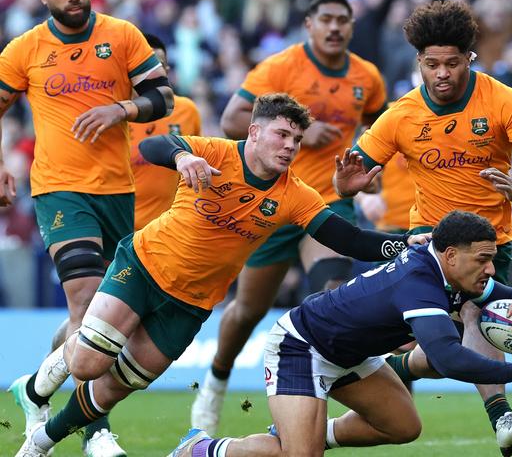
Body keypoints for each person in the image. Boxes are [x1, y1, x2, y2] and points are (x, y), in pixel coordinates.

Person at [15, 93, 429, 457]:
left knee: (111, 389)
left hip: (191, 304)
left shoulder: (294, 194)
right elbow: (158, 144)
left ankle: (39, 445)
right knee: (88, 364)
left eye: (297, 140)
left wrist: (403, 243)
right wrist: (182, 156)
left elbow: (349, 239)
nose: (290, 147)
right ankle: (37, 387)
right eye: (282, 135)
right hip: (142, 266)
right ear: (253, 131)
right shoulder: (214, 153)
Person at [332, 0, 512, 454]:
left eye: (452, 63)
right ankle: (503, 420)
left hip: (491, 241)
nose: (442, 73)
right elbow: (356, 171)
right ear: (419, 61)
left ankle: (386, 372)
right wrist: (349, 185)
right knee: (474, 315)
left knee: (443, 357)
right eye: (432, 63)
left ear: (469, 59)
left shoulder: (501, 99)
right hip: (430, 246)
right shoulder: (401, 115)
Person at [168, 210, 512, 457]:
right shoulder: (419, 282)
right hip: (302, 346)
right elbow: (449, 357)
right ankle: (203, 448)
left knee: (402, 427)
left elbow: (499, 293)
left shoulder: (447, 269)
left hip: (349, 354)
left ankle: (302, 428)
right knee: (298, 455)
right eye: (484, 259)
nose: (490, 269)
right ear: (451, 255)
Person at [191, 0, 387, 434]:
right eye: (327, 19)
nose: (335, 27)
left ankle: (307, 403)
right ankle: (216, 382)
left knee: (331, 295)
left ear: (352, 27)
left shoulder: (367, 77)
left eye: (343, 20)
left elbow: (380, 129)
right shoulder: (281, 68)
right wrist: (303, 132)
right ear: (309, 25)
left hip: (326, 203)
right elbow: (231, 121)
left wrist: (373, 176)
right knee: (246, 310)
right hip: (274, 202)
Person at [0, 0, 173, 455]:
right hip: (58, 190)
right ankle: (95, 430)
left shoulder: (121, 35)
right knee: (88, 302)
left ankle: (35, 387)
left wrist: (122, 110)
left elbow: (163, 96)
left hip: (118, 192)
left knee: (103, 315)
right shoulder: (24, 49)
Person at [130, 33, 201, 231]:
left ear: (167, 70)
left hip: (173, 230)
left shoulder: (187, 111)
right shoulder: (115, 114)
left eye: (158, 65)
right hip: (124, 232)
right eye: (143, 65)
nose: (150, 72)